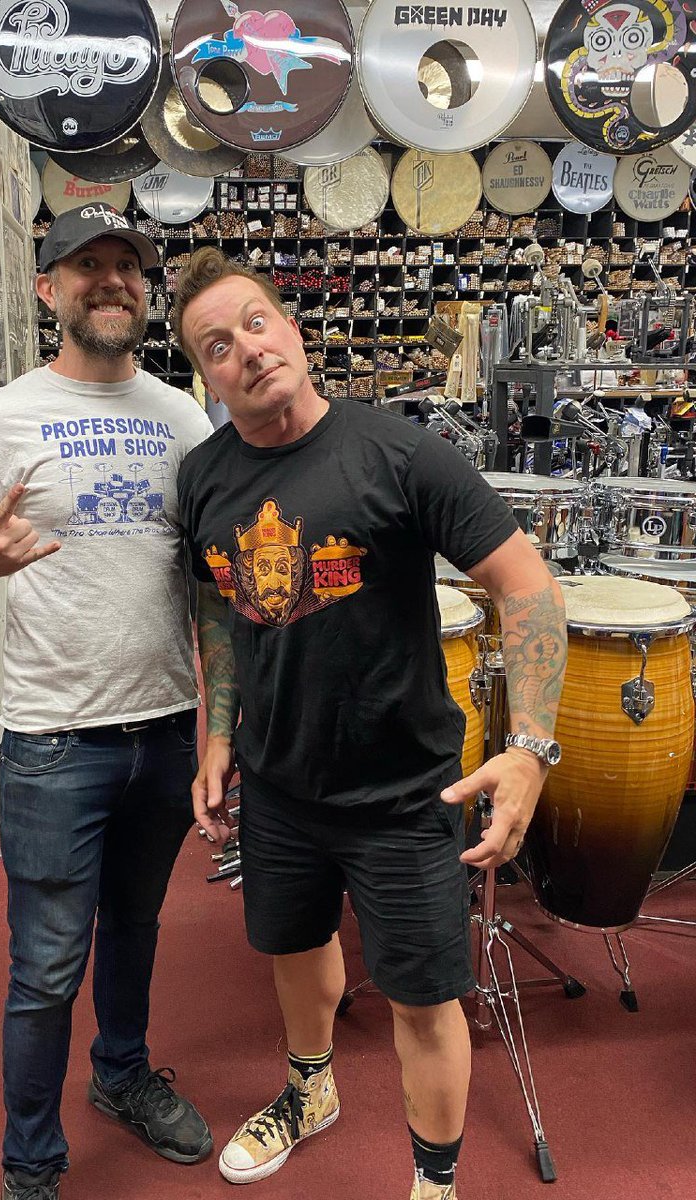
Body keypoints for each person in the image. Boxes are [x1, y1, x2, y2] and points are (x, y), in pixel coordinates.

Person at [171, 247, 567, 1200]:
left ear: (293, 331)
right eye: (217, 346)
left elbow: (530, 590)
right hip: (278, 784)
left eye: (256, 323)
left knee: (427, 1000)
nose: (247, 351)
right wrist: (215, 736)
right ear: (207, 377)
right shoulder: (202, 477)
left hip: (402, 791)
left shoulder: (402, 452)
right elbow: (218, 612)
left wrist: (531, 750)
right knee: (296, 954)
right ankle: (311, 1095)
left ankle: (435, 1182)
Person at [0, 205, 214, 1200]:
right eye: (87, 266)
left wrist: (216, 722)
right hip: (54, 739)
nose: (111, 282)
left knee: (137, 925)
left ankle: (122, 1075)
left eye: (127, 268)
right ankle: (32, 1165)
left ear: (146, 292)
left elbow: (207, 582)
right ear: (49, 289)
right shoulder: (1, 417)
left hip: (165, 726)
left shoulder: (185, 417)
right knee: (47, 965)